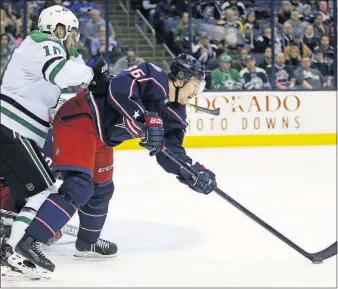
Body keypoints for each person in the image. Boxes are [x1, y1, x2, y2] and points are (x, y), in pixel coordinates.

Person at [4, 54, 217, 278]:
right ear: (181, 79)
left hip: (103, 138)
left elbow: (170, 153)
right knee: (79, 186)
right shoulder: (153, 76)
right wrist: (146, 118)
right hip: (81, 116)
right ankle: (30, 242)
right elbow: (120, 87)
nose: (197, 91)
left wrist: (192, 173)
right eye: (196, 84)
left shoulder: (176, 113)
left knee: (103, 189)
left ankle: (87, 243)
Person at [0, 4, 96, 274]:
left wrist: (87, 68)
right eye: (71, 33)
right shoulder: (44, 42)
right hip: (11, 130)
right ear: (58, 28)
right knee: (42, 191)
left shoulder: (46, 47)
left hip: (13, 131)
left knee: (26, 195)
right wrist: (92, 75)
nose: (73, 39)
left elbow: (71, 67)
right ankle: (13, 250)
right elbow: (62, 74)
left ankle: (10, 234)